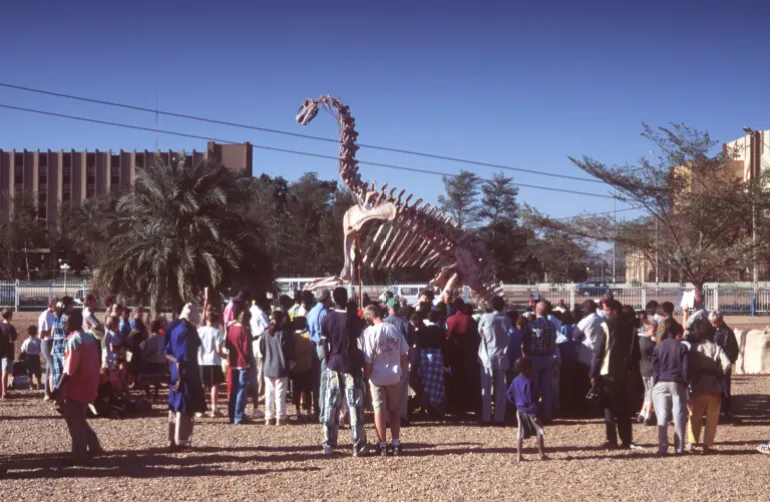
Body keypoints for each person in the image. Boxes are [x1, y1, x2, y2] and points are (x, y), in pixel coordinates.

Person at [321, 287, 368, 457]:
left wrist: (328, 363)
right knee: (355, 404)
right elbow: (362, 342)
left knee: (331, 404)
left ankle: (328, 443)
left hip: (334, 363)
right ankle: (358, 443)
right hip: (352, 365)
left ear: (333, 299)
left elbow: (324, 344)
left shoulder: (327, 318)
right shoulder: (355, 319)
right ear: (347, 298)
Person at [53, 310, 103, 463]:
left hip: (76, 385)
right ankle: (95, 447)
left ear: (74, 322)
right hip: (89, 383)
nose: (64, 324)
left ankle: (80, 455)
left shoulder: (74, 340)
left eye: (67, 321)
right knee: (78, 417)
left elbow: (70, 369)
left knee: (75, 420)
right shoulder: (90, 338)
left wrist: (57, 387)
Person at [591, 299, 640, 449]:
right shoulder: (631, 327)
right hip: (626, 372)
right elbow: (636, 352)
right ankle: (626, 439)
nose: (605, 313)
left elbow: (598, 352)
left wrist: (593, 373)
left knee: (609, 406)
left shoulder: (606, 326)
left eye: (606, 310)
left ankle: (611, 439)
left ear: (612, 311)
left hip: (608, 371)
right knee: (624, 407)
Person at [362, 305, 409, 456]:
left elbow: (368, 359)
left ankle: (382, 444)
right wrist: (400, 369)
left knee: (379, 410)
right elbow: (403, 352)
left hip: (377, 376)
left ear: (369, 318)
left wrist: (366, 377)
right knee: (394, 409)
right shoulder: (394, 329)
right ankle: (396, 442)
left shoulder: (370, 332)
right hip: (394, 375)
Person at [686, 318, 731, 454]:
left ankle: (691, 443)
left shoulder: (694, 348)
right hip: (713, 386)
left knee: (694, 415)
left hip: (697, 385)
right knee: (712, 417)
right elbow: (727, 363)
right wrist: (720, 374)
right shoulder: (716, 348)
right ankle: (707, 445)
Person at [165, 304, 207, 449]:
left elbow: (168, 352)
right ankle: (181, 440)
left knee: (174, 407)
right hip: (186, 373)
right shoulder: (187, 332)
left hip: (175, 372)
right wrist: (181, 378)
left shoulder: (175, 329)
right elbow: (183, 357)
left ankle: (171, 438)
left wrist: (175, 368)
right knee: (184, 407)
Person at [651, 318, 689, 455]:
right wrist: (685, 384)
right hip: (677, 382)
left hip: (661, 381)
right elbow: (685, 369)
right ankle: (679, 448)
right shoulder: (682, 347)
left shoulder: (658, 346)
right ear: (677, 333)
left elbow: (654, 367)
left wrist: (656, 382)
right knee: (679, 415)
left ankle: (662, 447)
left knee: (662, 416)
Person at [477, 296, 511, 425]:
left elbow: (479, 332)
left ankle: (486, 417)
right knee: (501, 387)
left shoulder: (485, 318)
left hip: (487, 355)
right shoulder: (506, 320)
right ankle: (499, 417)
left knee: (486, 387)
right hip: (502, 355)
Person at [522, 302, 557, 422]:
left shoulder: (531, 325)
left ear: (535, 310)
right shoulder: (551, 325)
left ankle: (535, 415)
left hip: (534, 358)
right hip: (547, 358)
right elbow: (554, 342)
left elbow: (525, 342)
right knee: (547, 389)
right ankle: (547, 415)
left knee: (535, 388)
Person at [506, 357, 546, 462]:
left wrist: (516, 403)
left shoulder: (515, 380)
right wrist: (535, 414)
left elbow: (509, 394)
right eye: (530, 367)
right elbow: (531, 398)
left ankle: (519, 455)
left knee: (520, 432)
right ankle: (541, 454)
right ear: (525, 369)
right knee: (539, 431)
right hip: (530, 410)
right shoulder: (529, 382)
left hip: (519, 410)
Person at [383, 297, 415, 426]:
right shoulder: (406, 323)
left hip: (386, 358)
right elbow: (411, 346)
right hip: (402, 358)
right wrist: (410, 359)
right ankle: (402, 415)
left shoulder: (383, 323)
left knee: (386, 388)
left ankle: (386, 418)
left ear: (388, 308)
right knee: (402, 388)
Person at [446, 297, 480, 414]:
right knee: (469, 380)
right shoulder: (471, 321)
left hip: (456, 355)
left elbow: (448, 338)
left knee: (456, 380)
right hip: (470, 354)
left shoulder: (450, 320)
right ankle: (470, 404)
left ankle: (457, 406)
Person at [260, 310, 295, 425]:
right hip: (281, 367)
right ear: (282, 320)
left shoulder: (265, 334)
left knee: (269, 393)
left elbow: (262, 349)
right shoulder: (284, 335)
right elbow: (289, 352)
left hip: (268, 366)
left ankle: (268, 417)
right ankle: (280, 417)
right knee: (280, 394)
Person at [572, 300, 605, 416]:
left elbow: (575, 336)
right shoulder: (602, 320)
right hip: (600, 355)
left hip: (586, 355)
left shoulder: (585, 321)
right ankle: (597, 407)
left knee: (584, 383)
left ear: (587, 309)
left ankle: (585, 408)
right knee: (597, 383)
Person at [414, 310, 446, 417]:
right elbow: (444, 346)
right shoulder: (441, 331)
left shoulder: (421, 331)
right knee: (436, 383)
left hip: (425, 357)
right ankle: (435, 405)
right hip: (437, 358)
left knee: (425, 382)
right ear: (437, 319)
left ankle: (423, 405)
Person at [708, 311, 739, 423]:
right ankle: (723, 410)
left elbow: (728, 349)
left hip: (723, 364)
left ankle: (724, 411)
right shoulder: (722, 331)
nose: (713, 325)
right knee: (722, 387)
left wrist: (727, 361)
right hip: (722, 363)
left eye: (714, 322)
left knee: (724, 387)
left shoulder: (725, 333)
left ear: (720, 321)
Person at [226, 303, 252, 425]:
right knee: (242, 390)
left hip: (233, 361)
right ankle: (239, 415)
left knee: (234, 389)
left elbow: (227, 345)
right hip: (243, 362)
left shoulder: (230, 328)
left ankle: (231, 414)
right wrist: (250, 360)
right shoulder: (244, 330)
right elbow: (247, 349)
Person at [307, 289, 331, 422]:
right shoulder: (325, 313)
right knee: (323, 381)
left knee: (315, 381)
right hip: (322, 346)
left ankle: (317, 410)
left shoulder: (311, 312)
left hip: (313, 346)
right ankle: (322, 413)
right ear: (327, 298)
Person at [198, 312, 225, 418]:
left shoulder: (199, 331)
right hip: (214, 361)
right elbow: (219, 349)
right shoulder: (217, 332)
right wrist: (223, 355)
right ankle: (214, 409)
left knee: (202, 386)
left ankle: (200, 409)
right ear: (216, 322)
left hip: (201, 361)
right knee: (215, 385)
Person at [249, 294, 270, 419]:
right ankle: (261, 395)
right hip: (259, 344)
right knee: (260, 373)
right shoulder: (259, 313)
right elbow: (266, 327)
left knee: (257, 372)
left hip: (254, 345)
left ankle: (258, 394)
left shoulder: (251, 311)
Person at [291, 316, 314, 422]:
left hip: (296, 367)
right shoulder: (308, 336)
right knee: (307, 390)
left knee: (296, 390)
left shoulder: (293, 337)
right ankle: (309, 411)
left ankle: (297, 411)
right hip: (308, 366)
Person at [139, 318, 167, 402]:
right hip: (161, 363)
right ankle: (156, 395)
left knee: (145, 378)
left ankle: (148, 395)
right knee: (156, 379)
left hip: (151, 363)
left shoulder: (150, 340)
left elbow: (146, 352)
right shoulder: (164, 338)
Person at [637, 320, 658, 426]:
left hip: (643, 369)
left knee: (647, 391)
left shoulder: (640, 340)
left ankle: (643, 412)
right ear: (647, 330)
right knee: (651, 392)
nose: (655, 332)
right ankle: (648, 414)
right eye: (653, 330)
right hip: (651, 369)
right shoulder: (651, 343)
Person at [51, 296, 74, 392]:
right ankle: (66, 394)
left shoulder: (56, 317)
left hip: (56, 347)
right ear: (67, 306)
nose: (73, 306)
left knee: (57, 373)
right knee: (66, 372)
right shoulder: (66, 317)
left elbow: (52, 333)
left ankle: (57, 394)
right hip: (65, 347)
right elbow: (68, 332)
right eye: (72, 304)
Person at [39, 297, 57, 400]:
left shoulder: (51, 315)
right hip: (47, 343)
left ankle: (47, 392)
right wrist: (53, 329)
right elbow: (41, 335)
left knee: (49, 369)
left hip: (51, 342)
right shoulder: (45, 316)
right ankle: (53, 392)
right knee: (53, 368)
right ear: (51, 305)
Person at [0, 309, 17, 398]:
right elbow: (12, 340)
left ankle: (0, 390)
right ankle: (4, 392)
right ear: (10, 316)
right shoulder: (10, 327)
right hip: (7, 352)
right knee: (5, 373)